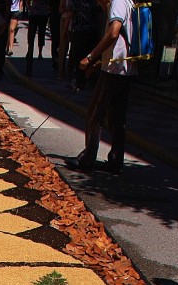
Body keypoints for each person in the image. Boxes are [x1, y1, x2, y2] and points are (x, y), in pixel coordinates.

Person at [65, 0, 137, 173]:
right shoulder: (128, 2)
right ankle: (115, 160)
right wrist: (98, 64)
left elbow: (114, 33)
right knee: (117, 117)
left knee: (96, 113)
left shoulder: (117, 3)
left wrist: (91, 57)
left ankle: (88, 158)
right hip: (124, 68)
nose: (97, 3)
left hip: (114, 69)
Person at [68, 0, 102, 89]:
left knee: (78, 57)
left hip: (80, 29)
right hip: (92, 30)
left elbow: (71, 10)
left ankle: (80, 81)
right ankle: (87, 80)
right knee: (88, 54)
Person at [25, 0, 50, 74]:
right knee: (41, 33)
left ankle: (30, 51)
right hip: (43, 13)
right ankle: (39, 53)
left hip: (34, 13)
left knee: (31, 36)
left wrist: (29, 7)